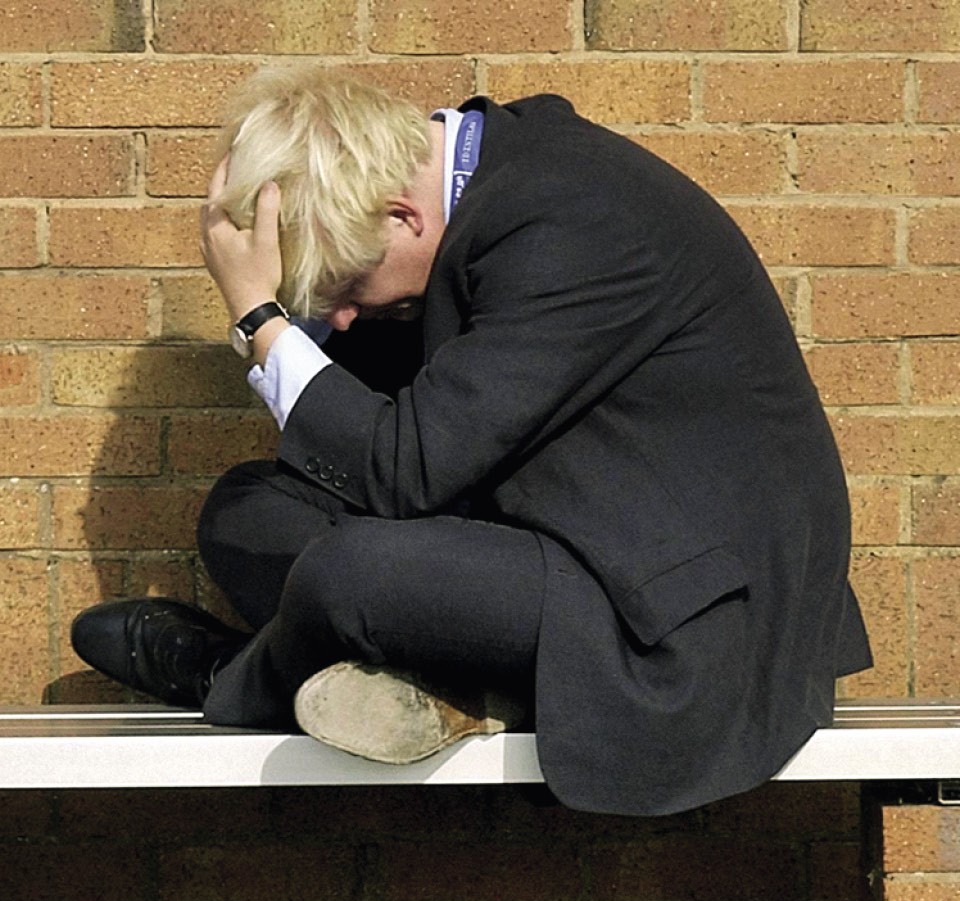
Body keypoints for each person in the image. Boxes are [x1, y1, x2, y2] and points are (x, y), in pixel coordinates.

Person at [71, 63, 872, 816]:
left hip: (676, 618)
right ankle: (443, 685)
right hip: (566, 539)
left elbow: (405, 471)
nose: (340, 319)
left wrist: (259, 319)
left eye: (344, 287)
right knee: (248, 510)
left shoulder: (572, 219)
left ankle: (229, 675)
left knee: (351, 572)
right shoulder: (488, 196)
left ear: (402, 214)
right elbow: (374, 446)